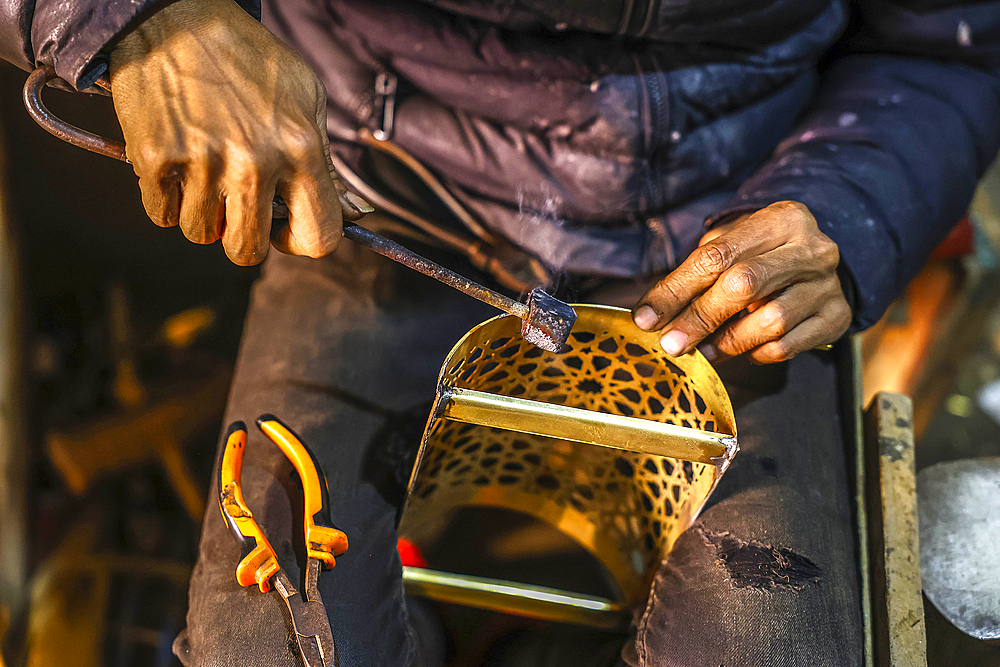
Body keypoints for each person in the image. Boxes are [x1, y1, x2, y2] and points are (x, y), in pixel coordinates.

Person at [3, 0, 999, 664]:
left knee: (773, 635)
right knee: (264, 642)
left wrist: (848, 204)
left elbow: (949, 42)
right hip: (379, 201)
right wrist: (134, 19)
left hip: (731, 235)